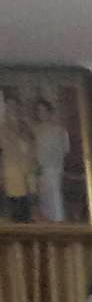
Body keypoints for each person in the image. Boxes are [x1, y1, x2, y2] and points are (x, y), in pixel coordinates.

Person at [31, 98, 70, 223]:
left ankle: (59, 222)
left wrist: (52, 163)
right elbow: (33, 149)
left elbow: (65, 149)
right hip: (40, 169)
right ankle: (47, 221)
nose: (41, 113)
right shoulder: (35, 130)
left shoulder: (58, 129)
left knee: (55, 197)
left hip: (53, 168)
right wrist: (37, 164)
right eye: (39, 111)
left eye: (44, 110)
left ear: (50, 112)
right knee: (44, 198)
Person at [0, 93, 35, 224]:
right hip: (11, 163)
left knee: (26, 193)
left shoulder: (24, 123)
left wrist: (28, 148)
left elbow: (32, 141)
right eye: (9, 104)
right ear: (6, 106)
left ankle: (26, 219)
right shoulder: (3, 125)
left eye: (14, 104)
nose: (12, 107)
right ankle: (17, 221)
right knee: (14, 192)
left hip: (25, 163)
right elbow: (3, 145)